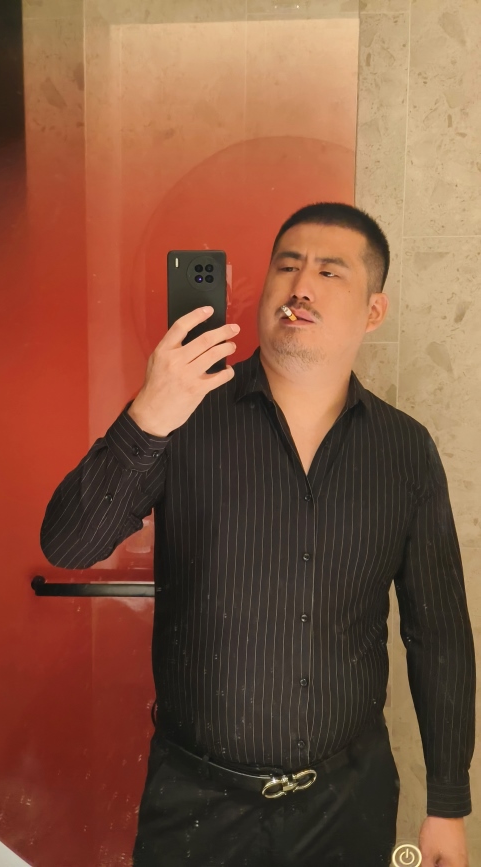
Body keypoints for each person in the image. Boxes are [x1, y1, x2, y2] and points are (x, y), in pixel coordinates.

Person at [40, 202, 475, 867]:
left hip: (347, 802)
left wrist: (447, 800)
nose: (300, 285)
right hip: (195, 802)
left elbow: (438, 632)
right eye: (287, 266)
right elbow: (68, 544)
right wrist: (147, 415)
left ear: (373, 311)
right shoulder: (182, 416)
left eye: (329, 272)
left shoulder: (405, 451)